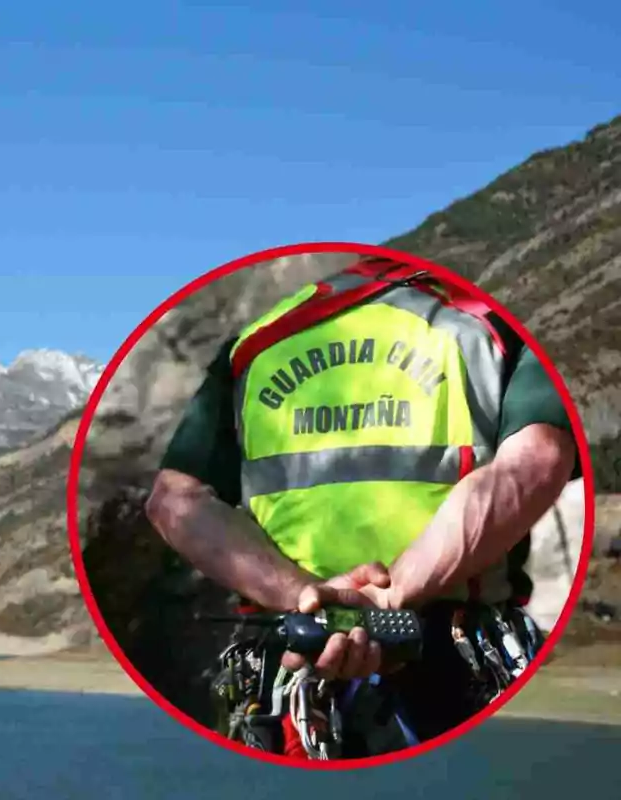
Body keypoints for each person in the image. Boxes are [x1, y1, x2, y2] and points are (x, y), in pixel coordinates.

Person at [144, 255, 582, 757]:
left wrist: (304, 594)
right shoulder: (486, 327)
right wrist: (391, 597)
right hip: (458, 662)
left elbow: (174, 500)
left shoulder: (254, 346)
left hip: (293, 651)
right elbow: (539, 458)